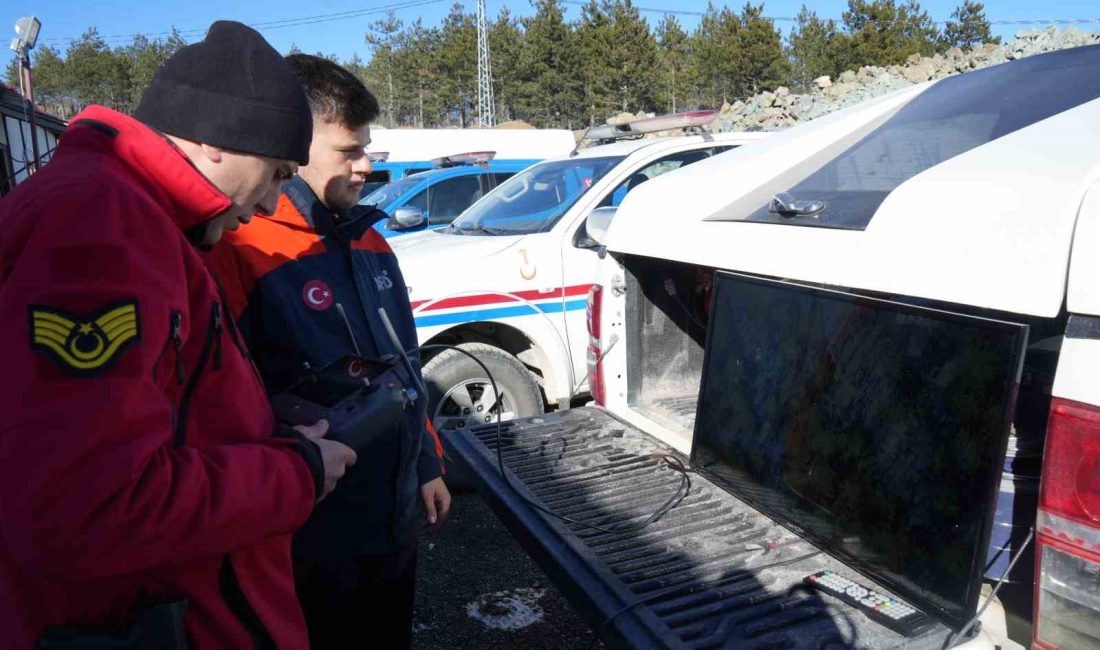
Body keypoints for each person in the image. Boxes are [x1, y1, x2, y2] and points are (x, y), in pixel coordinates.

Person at [0, 22, 358, 649]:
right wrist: (294, 472)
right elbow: (87, 508)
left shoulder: (132, 216)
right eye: (276, 172)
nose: (275, 202)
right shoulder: (102, 225)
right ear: (216, 142)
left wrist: (263, 427)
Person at [207, 54, 450, 649]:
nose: (367, 165)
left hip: (392, 519)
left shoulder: (371, 241)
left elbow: (407, 368)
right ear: (295, 141)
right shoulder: (238, 247)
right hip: (305, 532)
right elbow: (218, 405)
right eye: (349, 151)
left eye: (367, 147)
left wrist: (427, 463)